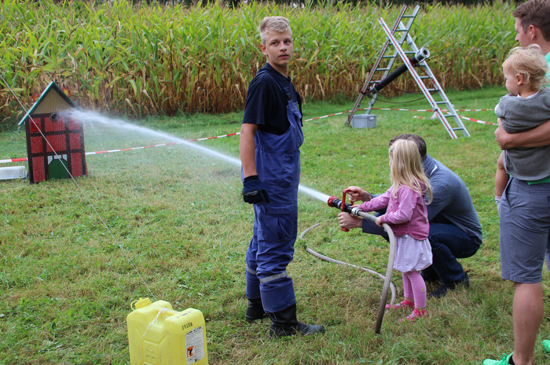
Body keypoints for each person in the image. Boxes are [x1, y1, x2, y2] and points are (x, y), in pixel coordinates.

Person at [239, 16, 324, 338]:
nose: (283, 47)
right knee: (276, 242)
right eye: (275, 43)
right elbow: (248, 131)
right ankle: (284, 323)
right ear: (264, 47)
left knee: (263, 237)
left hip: (283, 172)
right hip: (274, 177)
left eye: (286, 41)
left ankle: (257, 304)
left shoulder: (283, 80)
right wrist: (251, 178)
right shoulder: (264, 83)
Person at [338, 134, 482, 298]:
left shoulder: (439, 184)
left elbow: (408, 222)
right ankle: (432, 270)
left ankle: (455, 280)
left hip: (466, 238)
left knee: (421, 235)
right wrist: (367, 197)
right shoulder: (414, 171)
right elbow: (396, 200)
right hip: (436, 223)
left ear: (406, 159)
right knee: (397, 227)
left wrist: (361, 223)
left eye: (393, 159)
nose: (390, 164)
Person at [483, 38, 550, 365]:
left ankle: (521, 361)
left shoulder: (508, 105)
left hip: (529, 192)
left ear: (520, 79)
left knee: (527, 278)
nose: (505, 82)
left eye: (508, 77)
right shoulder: (549, 100)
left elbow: (500, 133)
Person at [358, 139, 433, 322]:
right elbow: (383, 199)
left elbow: (404, 215)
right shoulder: (400, 184)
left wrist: (382, 218)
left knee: (413, 271)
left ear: (399, 163)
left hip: (411, 236)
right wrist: (364, 207)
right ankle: (408, 301)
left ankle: (420, 310)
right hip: (403, 235)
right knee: (405, 269)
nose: (389, 163)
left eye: (391, 159)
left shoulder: (408, 188)